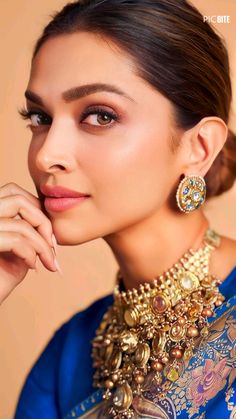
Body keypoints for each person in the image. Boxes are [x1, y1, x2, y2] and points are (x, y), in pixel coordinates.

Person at [0, 0, 235, 417]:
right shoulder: (68, 356)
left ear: (198, 148)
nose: (46, 155)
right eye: (40, 117)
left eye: (100, 116)